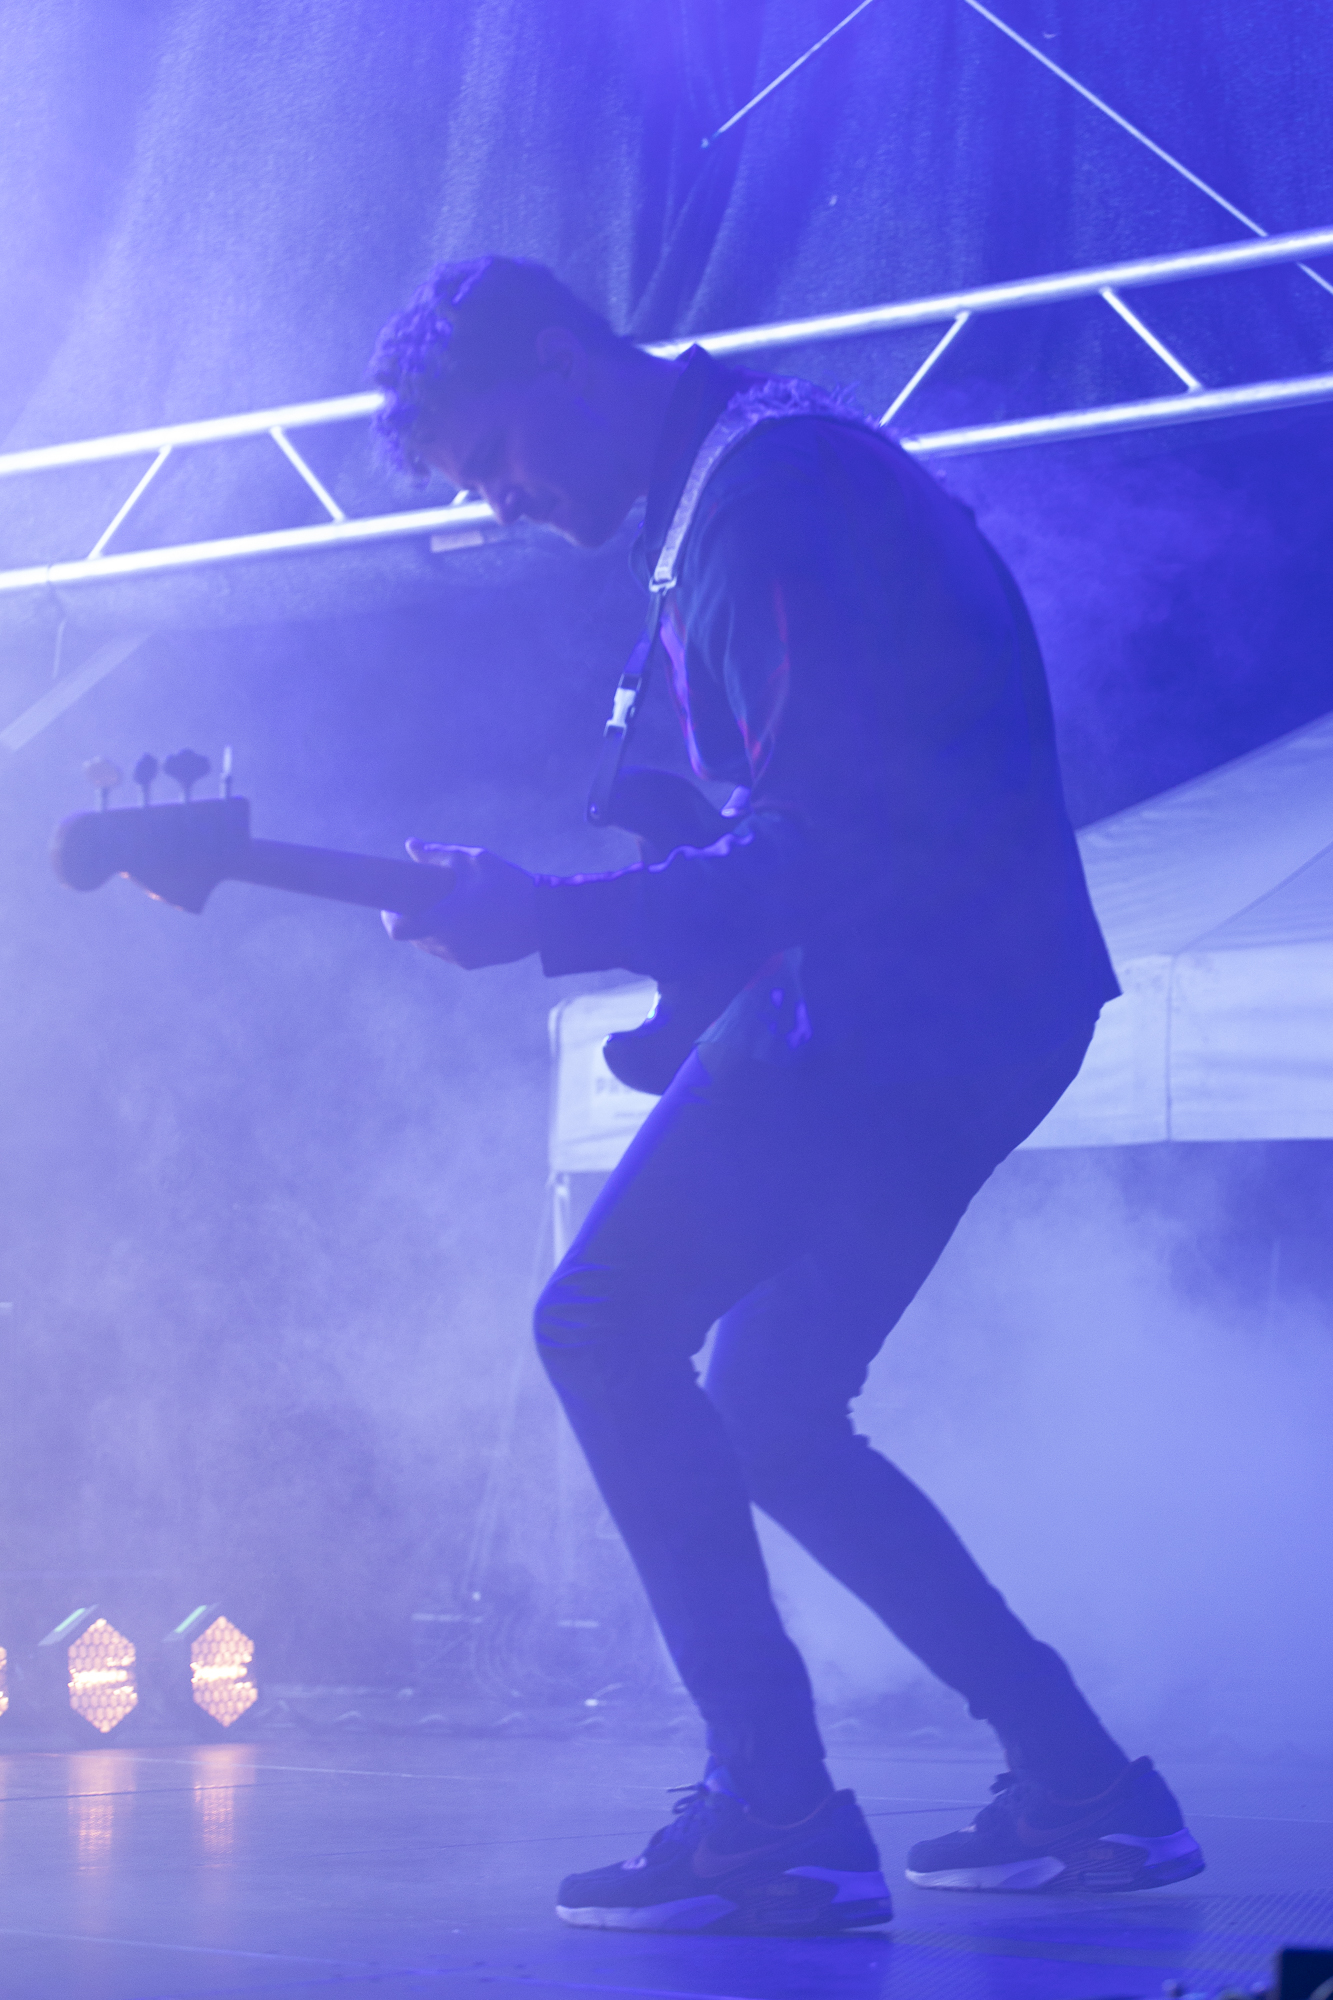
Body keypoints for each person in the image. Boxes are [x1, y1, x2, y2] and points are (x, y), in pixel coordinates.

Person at [371, 256, 1204, 1935]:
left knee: (601, 1322)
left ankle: (771, 1808)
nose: (503, 502)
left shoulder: (764, 504)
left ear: (564, 361)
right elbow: (809, 818)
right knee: (767, 1408)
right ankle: (1084, 1787)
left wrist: (550, 918)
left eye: (498, 457)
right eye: (472, 488)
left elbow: (823, 847)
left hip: (897, 1003)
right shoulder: (759, 473)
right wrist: (634, 953)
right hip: (973, 1003)